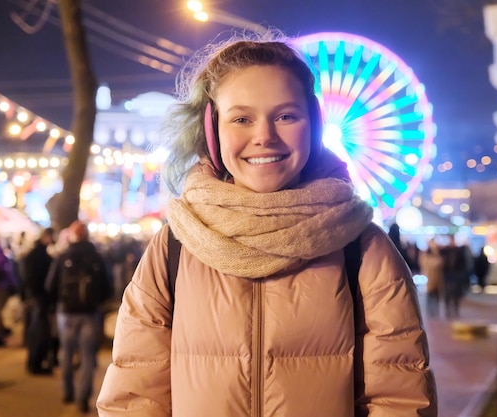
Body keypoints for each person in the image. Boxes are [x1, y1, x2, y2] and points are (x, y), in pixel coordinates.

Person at [97, 34, 437, 417]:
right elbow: (135, 398)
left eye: (286, 116)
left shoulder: (362, 248)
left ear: (315, 124)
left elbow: (400, 399)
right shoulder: (175, 246)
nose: (264, 137)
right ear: (212, 130)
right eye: (241, 118)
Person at [45, 220, 110, 414]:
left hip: (66, 312)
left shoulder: (63, 256)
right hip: (90, 313)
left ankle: (67, 391)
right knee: (88, 356)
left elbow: (50, 286)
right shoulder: (97, 257)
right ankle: (83, 397)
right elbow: (108, 287)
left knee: (66, 352)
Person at [23, 227, 56, 374]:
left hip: (34, 297)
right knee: (40, 332)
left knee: (35, 331)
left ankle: (33, 362)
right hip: (39, 299)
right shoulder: (42, 256)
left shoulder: (32, 254)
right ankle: (35, 363)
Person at [419, 238, 444, 318]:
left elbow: (441, 261)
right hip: (429, 276)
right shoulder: (426, 252)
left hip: (437, 277)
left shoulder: (437, 252)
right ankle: (430, 311)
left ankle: (435, 311)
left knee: (436, 294)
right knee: (429, 294)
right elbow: (424, 263)